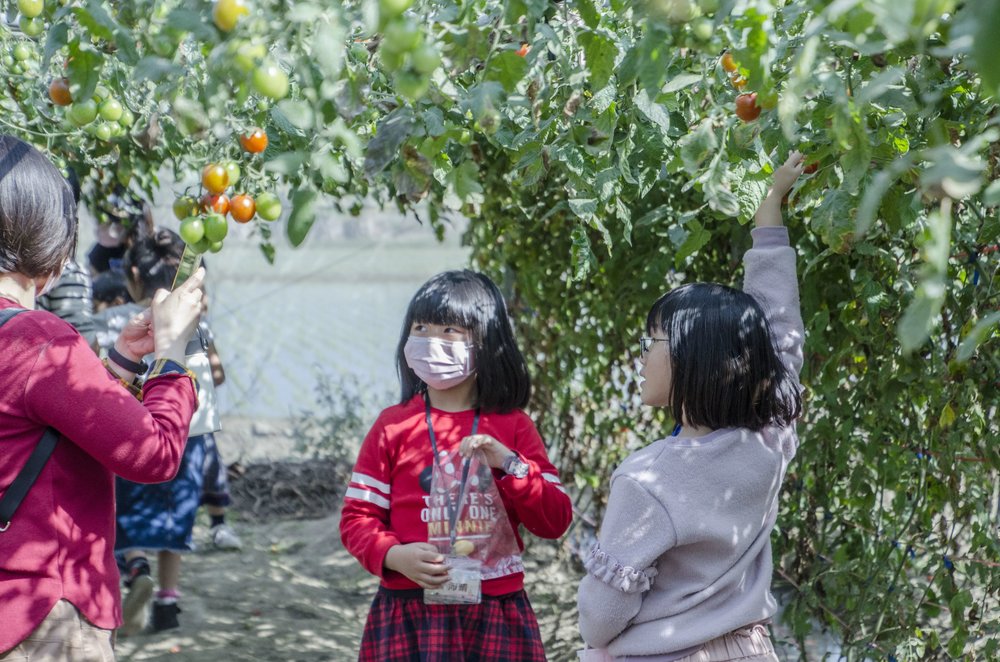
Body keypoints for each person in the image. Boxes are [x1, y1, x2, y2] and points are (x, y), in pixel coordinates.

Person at [576, 152, 807, 662]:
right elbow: (779, 328)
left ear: (689, 360)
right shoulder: (768, 438)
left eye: (650, 341)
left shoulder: (648, 482)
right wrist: (770, 210)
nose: (640, 356)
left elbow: (599, 619)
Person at [0, 135, 205, 659]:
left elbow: (36, 430)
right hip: (41, 613)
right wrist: (171, 356)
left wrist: (118, 364)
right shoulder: (35, 338)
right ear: (49, 239)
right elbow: (153, 454)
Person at [340, 270, 573, 661]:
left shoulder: (514, 426)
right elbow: (357, 518)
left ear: (487, 342)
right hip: (410, 608)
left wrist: (510, 465)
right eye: (421, 327)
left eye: (449, 329)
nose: (432, 340)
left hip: (496, 608)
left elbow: (554, 520)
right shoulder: (392, 425)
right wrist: (394, 556)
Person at [93, 223, 223, 635]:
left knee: (127, 514)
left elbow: (100, 379)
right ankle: (168, 603)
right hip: (191, 437)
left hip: (133, 435)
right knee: (176, 518)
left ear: (133, 278)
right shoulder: (195, 325)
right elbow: (217, 375)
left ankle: (135, 567)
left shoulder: (115, 320)